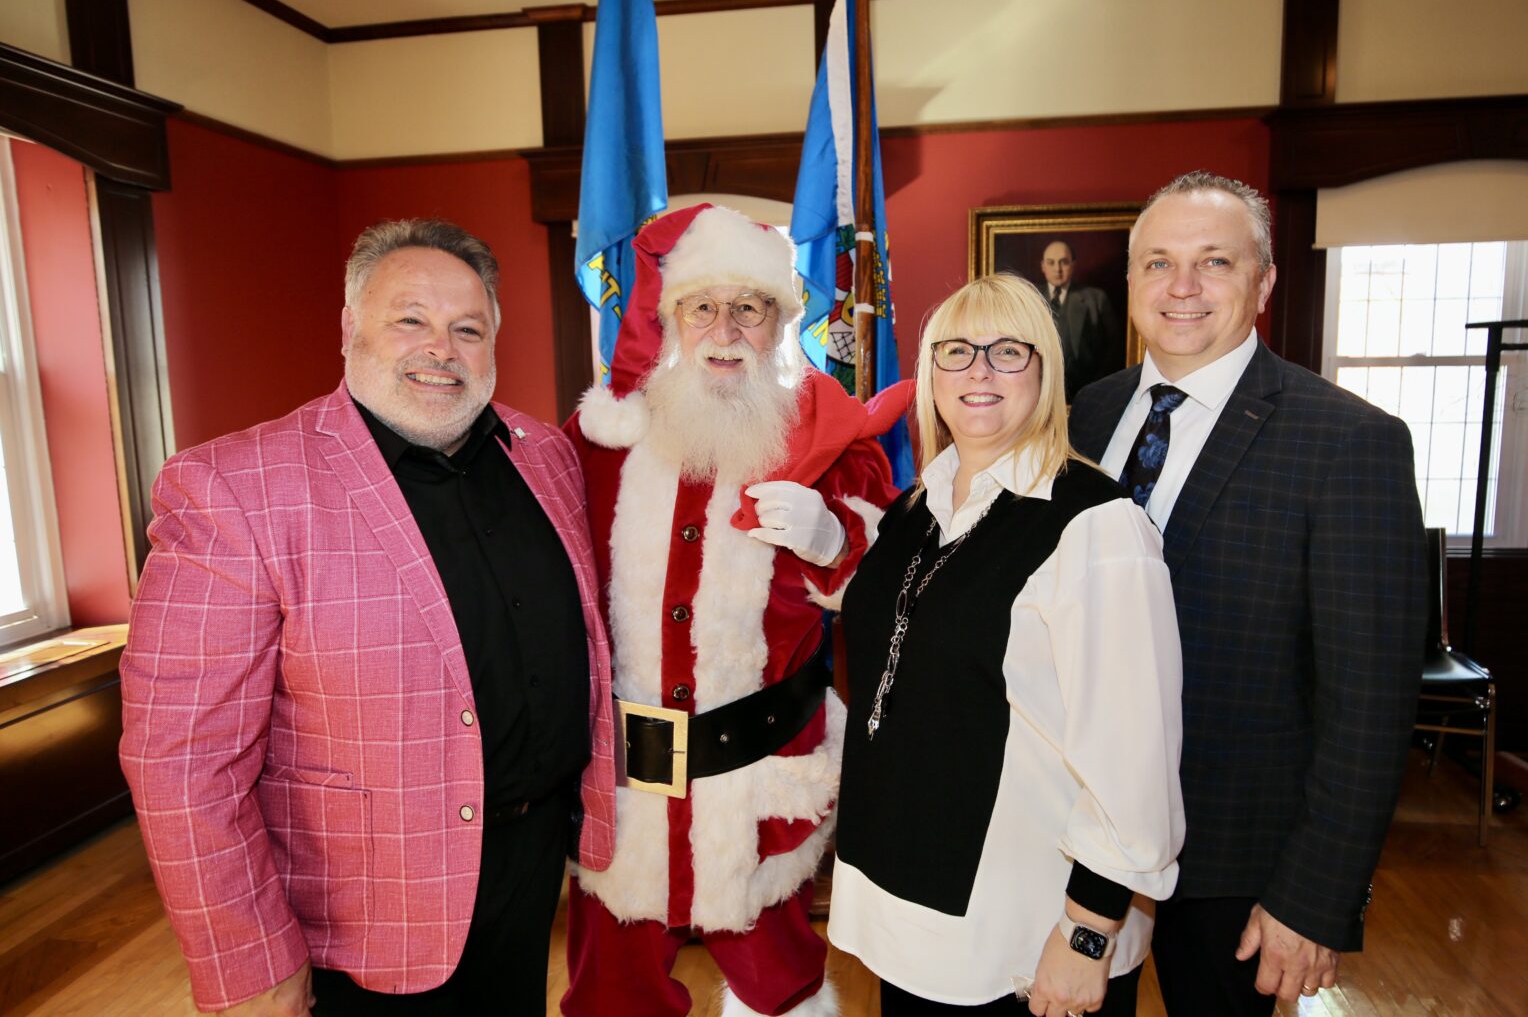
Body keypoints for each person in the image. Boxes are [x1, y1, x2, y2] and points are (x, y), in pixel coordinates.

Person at [119, 219, 617, 1015]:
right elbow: (183, 762)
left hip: (531, 866)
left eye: (468, 328)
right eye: (410, 319)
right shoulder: (233, 486)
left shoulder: (542, 455)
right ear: (350, 327)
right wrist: (249, 960)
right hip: (360, 916)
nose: (441, 349)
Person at [1070, 171, 1426, 1014]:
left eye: (1214, 262)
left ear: (1264, 283)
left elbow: (1370, 701)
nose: (1181, 287)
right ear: (1129, 283)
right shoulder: (1086, 412)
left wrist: (1317, 894)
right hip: (1076, 842)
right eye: (1157, 262)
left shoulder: (1349, 443)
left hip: (1234, 865)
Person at [561, 203, 905, 1017]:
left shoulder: (828, 436)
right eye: (701, 307)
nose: (724, 329)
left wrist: (835, 541)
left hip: (759, 776)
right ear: (670, 318)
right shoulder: (600, 441)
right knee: (611, 994)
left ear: (779, 322)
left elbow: (891, 578)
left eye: (748, 309)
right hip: (628, 785)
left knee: (779, 986)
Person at [831, 273, 1185, 1016]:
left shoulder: (1096, 525)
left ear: (1046, 372)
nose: (979, 371)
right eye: (955, 351)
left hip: (1023, 932)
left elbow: (1134, 754)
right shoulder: (915, 508)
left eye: (1007, 351)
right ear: (928, 374)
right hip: (909, 910)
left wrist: (1087, 930)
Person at [1038, 239, 1124, 398]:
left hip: (1086, 392)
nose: (1057, 269)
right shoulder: (1031, 299)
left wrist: (1096, 386)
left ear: (1073, 265)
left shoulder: (1096, 299)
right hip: (1040, 392)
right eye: (1051, 263)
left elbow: (1113, 349)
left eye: (1063, 262)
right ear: (1043, 266)